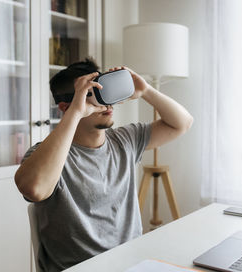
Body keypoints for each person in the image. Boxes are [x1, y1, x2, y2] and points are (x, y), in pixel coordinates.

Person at [14, 58, 193, 271]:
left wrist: (145, 90)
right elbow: (34, 189)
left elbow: (183, 123)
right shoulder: (46, 155)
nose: (106, 103)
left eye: (104, 91)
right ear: (66, 107)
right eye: (92, 94)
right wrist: (77, 112)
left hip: (133, 262)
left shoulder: (125, 140)